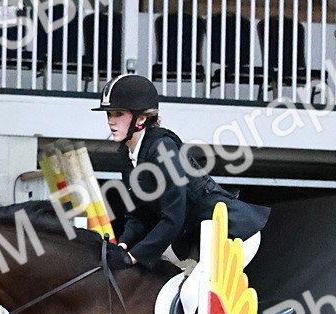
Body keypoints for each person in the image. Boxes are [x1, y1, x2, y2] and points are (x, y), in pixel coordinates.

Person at [93, 74, 269, 272]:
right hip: (197, 239)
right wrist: (123, 246)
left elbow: (173, 217)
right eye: (109, 114)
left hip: (232, 233)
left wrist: (134, 256)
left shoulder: (162, 150)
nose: (111, 122)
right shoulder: (128, 155)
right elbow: (138, 215)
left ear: (141, 118)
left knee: (191, 293)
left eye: (118, 114)